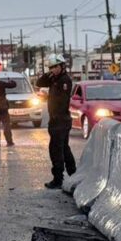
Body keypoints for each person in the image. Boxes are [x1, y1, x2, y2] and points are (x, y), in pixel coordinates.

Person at [35, 55, 76, 189]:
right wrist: (49, 74)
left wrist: (56, 117)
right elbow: (39, 83)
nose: (53, 69)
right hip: (56, 120)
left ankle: (58, 178)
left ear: (61, 66)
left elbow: (61, 102)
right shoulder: (54, 79)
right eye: (51, 67)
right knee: (63, 148)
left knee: (56, 150)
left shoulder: (64, 81)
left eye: (55, 67)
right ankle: (74, 173)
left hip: (61, 120)